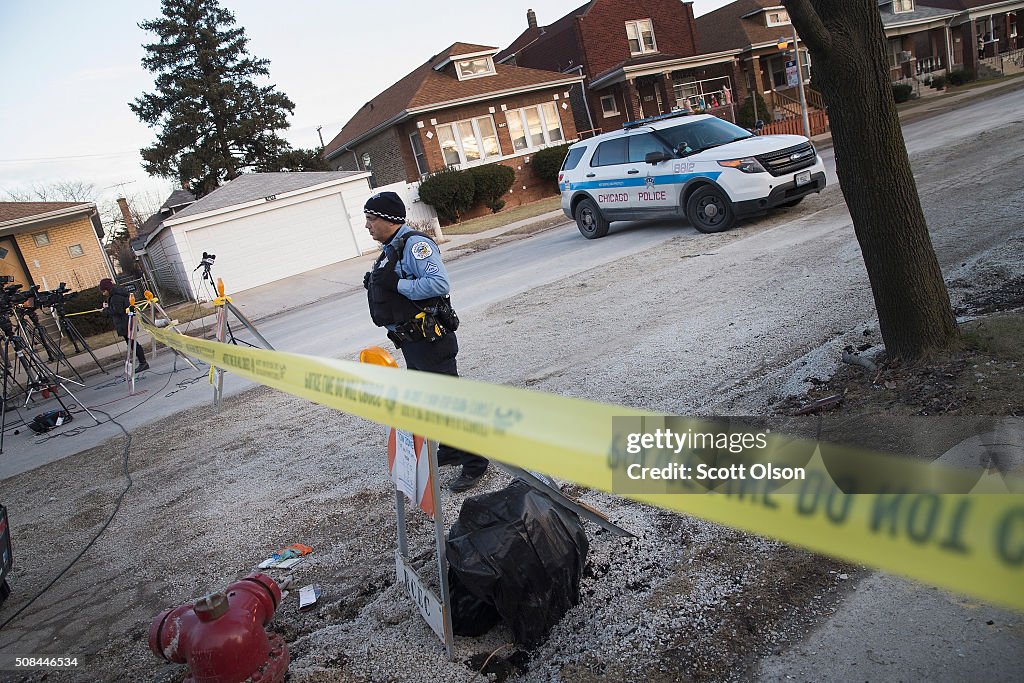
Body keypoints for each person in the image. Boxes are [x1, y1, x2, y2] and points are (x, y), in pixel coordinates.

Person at [362, 191, 488, 492]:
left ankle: (475, 462)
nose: (367, 226)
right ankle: (455, 448)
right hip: (412, 341)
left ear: (388, 219)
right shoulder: (392, 248)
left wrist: (396, 284)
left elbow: (438, 284)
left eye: (371, 219)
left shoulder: (415, 245)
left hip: (431, 340)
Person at [98, 278, 149, 373]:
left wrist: (105, 310)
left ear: (108, 289)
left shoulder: (115, 297)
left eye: (104, 291)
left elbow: (118, 311)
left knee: (133, 344)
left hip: (125, 323)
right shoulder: (118, 294)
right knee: (132, 343)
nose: (103, 293)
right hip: (128, 321)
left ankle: (143, 363)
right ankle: (142, 362)